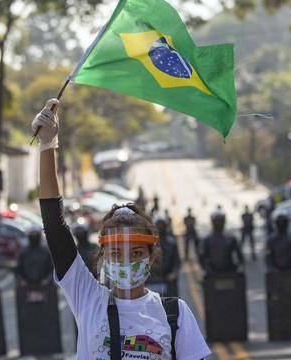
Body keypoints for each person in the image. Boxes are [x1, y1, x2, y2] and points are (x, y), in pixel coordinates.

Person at [32, 98, 211, 359]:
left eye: (136, 253)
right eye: (116, 254)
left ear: (151, 257)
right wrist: (47, 145)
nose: (126, 261)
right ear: (103, 258)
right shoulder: (88, 298)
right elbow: (55, 227)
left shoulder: (175, 314)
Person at [200, 208, 244, 274]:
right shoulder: (207, 240)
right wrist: (206, 269)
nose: (219, 223)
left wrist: (239, 267)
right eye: (217, 221)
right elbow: (202, 257)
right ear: (213, 222)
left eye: (221, 221)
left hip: (229, 270)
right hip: (213, 271)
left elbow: (239, 256)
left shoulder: (231, 239)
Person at [151, 214, 181, 295]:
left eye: (162, 225)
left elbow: (177, 261)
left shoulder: (171, 242)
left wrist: (174, 274)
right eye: (158, 224)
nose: (160, 227)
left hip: (168, 279)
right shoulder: (149, 243)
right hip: (153, 280)